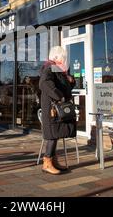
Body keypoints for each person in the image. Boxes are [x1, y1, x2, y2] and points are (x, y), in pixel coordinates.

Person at [39, 46, 77, 175]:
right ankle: (47, 162)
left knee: (55, 134)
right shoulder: (49, 67)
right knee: (52, 136)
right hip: (51, 108)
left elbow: (63, 86)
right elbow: (44, 83)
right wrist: (59, 96)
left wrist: (71, 82)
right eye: (63, 57)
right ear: (55, 57)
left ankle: (53, 161)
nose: (65, 59)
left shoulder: (58, 69)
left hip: (55, 108)